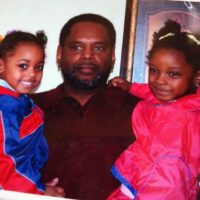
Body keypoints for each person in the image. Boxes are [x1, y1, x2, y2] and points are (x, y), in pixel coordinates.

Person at [31, 13, 140, 199]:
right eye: (77, 47)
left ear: (112, 56)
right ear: (59, 54)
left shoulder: (141, 112)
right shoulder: (26, 108)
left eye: (98, 48)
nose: (87, 55)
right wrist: (32, 193)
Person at [107, 20, 200, 200]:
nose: (159, 80)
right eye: (154, 70)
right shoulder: (173, 98)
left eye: (173, 74)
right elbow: (148, 92)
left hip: (161, 187)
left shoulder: (185, 118)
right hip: (139, 180)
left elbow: (169, 179)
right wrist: (130, 87)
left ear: (197, 77)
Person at [0, 30, 64, 197]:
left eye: (38, 67)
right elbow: (3, 162)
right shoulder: (5, 106)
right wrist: (38, 192)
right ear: (1, 66)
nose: (32, 73)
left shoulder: (19, 101)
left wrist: (38, 185)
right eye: (23, 65)